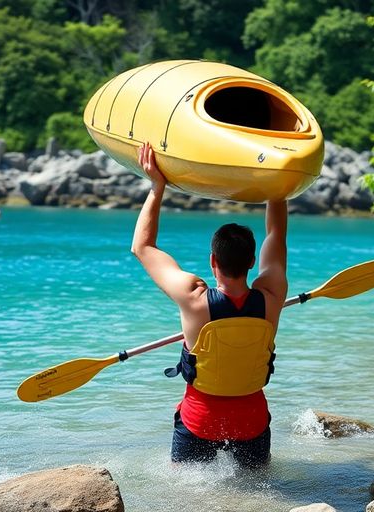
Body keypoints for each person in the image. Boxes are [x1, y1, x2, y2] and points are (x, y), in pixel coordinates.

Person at [130, 141, 288, 468]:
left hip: (200, 422)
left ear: (213, 260)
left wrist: (157, 186)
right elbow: (276, 234)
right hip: (252, 424)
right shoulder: (272, 296)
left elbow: (142, 247)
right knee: (258, 490)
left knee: (186, 495)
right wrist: (279, 185)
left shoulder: (193, 297)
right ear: (251, 261)